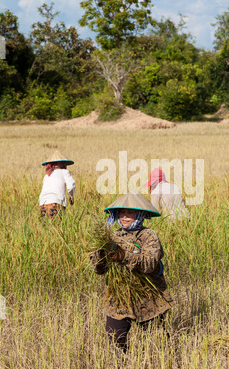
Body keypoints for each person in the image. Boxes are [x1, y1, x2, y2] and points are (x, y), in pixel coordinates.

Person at [90, 191, 173, 353]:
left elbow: (149, 263)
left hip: (148, 297)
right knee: (115, 341)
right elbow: (99, 270)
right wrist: (99, 259)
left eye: (130, 213)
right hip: (119, 297)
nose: (125, 216)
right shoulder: (111, 237)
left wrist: (123, 255)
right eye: (122, 212)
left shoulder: (148, 236)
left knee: (157, 342)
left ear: (140, 214)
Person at [39, 150, 75, 218]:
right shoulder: (64, 172)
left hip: (43, 204)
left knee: (46, 226)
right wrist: (71, 196)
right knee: (58, 225)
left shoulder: (46, 176)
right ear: (61, 164)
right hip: (56, 203)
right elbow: (71, 185)